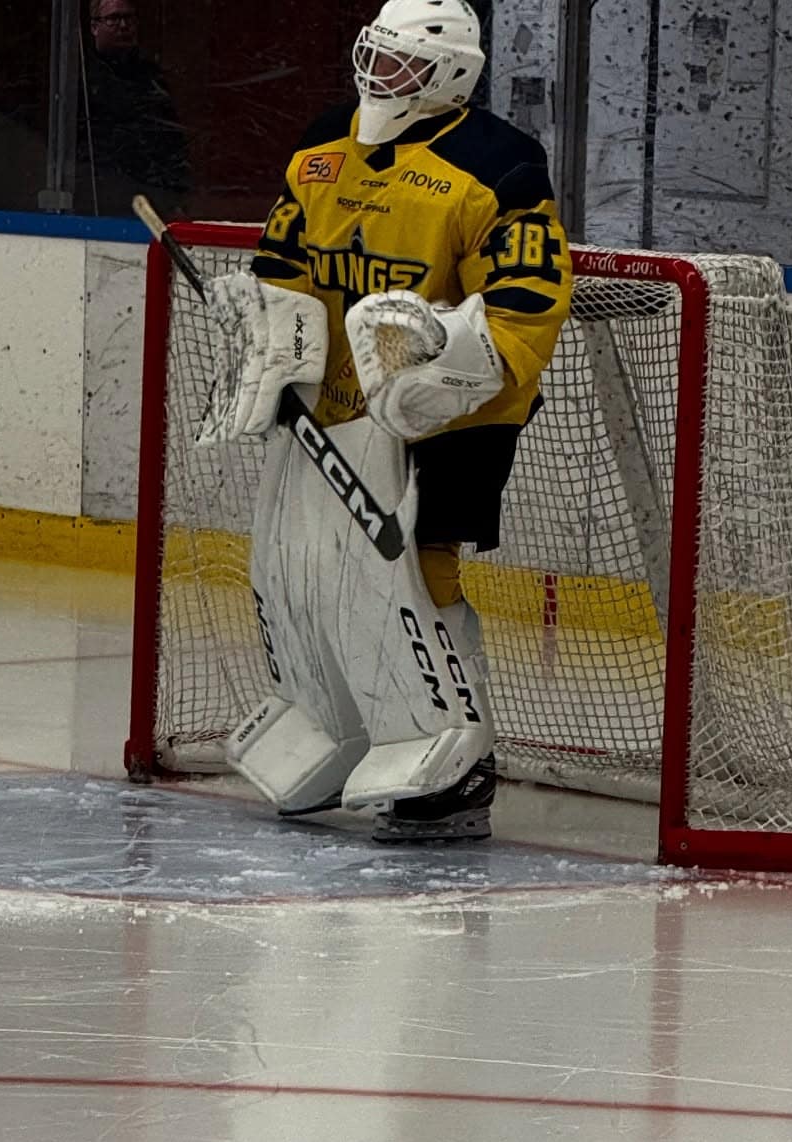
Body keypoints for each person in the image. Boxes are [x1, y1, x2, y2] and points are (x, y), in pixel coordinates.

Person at [201, 0, 573, 843]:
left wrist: (449, 374)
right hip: (336, 401)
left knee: (413, 571)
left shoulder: (499, 163)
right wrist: (271, 329)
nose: (380, 76)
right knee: (303, 568)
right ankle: (343, 728)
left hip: (459, 413)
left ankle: (460, 765)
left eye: (403, 64)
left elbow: (528, 297)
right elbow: (285, 258)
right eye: (376, 55)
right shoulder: (324, 144)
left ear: (453, 75)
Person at [75, 0, 190, 218]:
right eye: (113, 19)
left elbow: (171, 142)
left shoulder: (151, 77)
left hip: (148, 203)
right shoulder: (79, 77)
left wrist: (175, 195)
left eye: (129, 18)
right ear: (94, 27)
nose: (123, 25)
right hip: (97, 202)